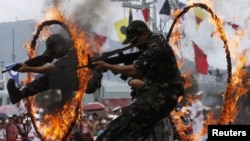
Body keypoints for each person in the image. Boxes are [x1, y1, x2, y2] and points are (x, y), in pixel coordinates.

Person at [92, 20, 185, 141]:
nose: (134, 45)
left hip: (163, 95)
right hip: (161, 94)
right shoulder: (154, 44)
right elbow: (144, 74)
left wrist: (108, 66)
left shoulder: (155, 46)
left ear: (145, 34)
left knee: (126, 118)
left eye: (135, 40)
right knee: (137, 132)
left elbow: (136, 71)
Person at [7, 34, 79, 110]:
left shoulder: (74, 50)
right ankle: (18, 95)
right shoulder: (58, 46)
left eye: (54, 51)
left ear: (61, 45)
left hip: (87, 81)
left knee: (54, 77)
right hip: (72, 76)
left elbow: (52, 69)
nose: (53, 54)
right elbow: (43, 58)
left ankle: (21, 94)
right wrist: (25, 64)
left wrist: (28, 68)